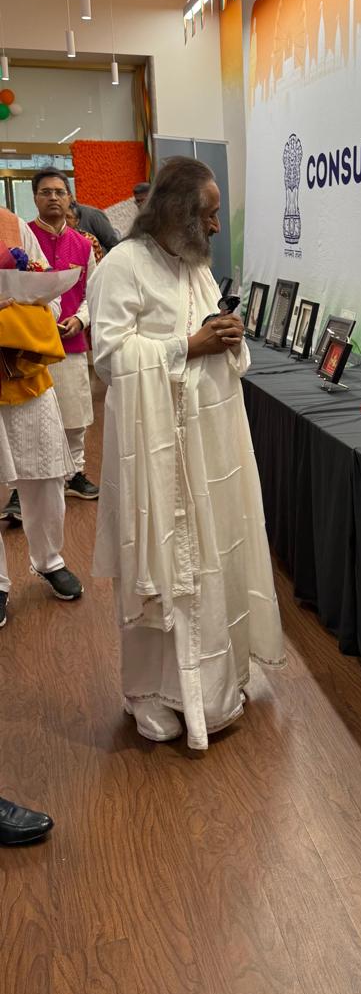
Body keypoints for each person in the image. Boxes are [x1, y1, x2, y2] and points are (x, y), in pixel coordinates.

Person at [87, 156, 285, 749]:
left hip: (210, 439)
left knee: (213, 556)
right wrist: (188, 345)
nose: (218, 225)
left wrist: (225, 336)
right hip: (155, 455)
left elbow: (209, 329)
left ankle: (215, 686)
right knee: (163, 567)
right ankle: (150, 693)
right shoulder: (123, 266)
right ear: (178, 212)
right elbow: (109, 356)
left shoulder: (195, 265)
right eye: (210, 212)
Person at [0, 207, 83, 607]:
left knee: (46, 477)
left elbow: (49, 295)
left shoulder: (11, 224)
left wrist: (14, 309)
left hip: (25, 372)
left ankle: (49, 560)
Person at [21, 168, 98, 502]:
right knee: (25, 414)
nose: (53, 197)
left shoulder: (83, 245)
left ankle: (75, 473)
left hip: (71, 342)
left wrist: (81, 320)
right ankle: (22, 485)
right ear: (35, 197)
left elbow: (93, 293)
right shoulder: (19, 239)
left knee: (74, 413)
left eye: (59, 192)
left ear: (69, 199)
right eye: (45, 192)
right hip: (29, 345)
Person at [66, 197, 103, 265]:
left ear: (77, 221)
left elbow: (96, 267)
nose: (64, 220)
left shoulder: (90, 240)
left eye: (68, 217)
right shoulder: (55, 238)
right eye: (62, 216)